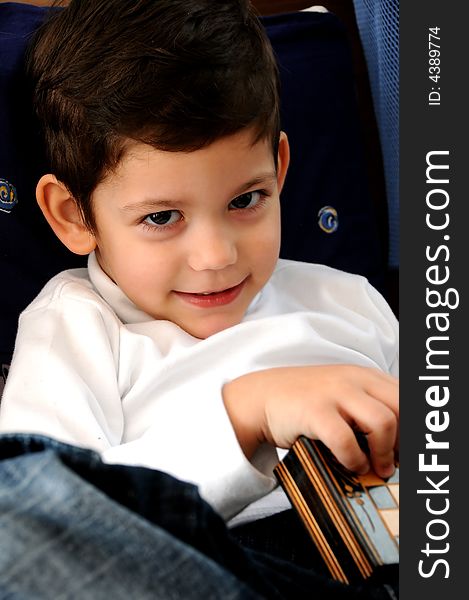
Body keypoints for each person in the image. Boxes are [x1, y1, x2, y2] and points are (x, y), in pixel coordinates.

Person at [0, 0, 398, 594]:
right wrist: (245, 416)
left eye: (246, 201)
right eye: (162, 217)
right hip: (211, 566)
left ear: (280, 168)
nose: (217, 256)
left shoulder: (348, 299)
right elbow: (51, 505)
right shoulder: (75, 324)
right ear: (73, 214)